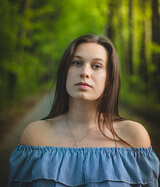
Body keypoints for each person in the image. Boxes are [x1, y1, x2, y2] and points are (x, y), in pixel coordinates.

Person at [8, 34, 159, 186]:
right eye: (76, 63)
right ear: (65, 72)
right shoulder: (35, 135)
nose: (84, 72)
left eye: (96, 66)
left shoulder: (133, 137)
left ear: (109, 79)